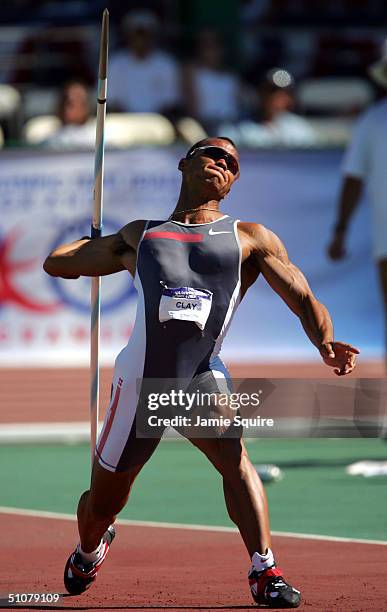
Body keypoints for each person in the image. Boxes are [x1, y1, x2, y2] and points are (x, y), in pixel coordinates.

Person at [44, 136, 359, 608]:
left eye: (231, 163)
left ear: (231, 183)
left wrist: (325, 343)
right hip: (140, 384)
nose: (221, 163)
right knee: (102, 503)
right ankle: (91, 547)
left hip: (201, 378)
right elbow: (58, 264)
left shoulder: (249, 237)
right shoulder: (141, 235)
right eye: (212, 153)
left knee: (236, 464)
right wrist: (95, 241)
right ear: (184, 163)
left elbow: (303, 298)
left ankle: (265, 569)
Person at [327, 45, 387, 357]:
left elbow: (353, 178)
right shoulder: (373, 121)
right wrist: (340, 229)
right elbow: (353, 178)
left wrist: (340, 231)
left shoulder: (373, 120)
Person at [221, 68, 318, 148]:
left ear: (289, 99)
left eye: (282, 94)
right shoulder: (237, 128)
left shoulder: (300, 129)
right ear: (259, 93)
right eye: (270, 91)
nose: (274, 98)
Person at [108, 9, 180, 114]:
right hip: (123, 121)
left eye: (145, 34)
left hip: (158, 122)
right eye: (137, 34)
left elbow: (171, 102)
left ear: (153, 35)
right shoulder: (115, 63)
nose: (140, 39)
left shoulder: (167, 63)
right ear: (128, 35)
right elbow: (111, 101)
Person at [182, 29, 240, 133]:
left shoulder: (231, 77)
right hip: (204, 126)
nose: (210, 51)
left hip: (231, 125)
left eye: (215, 45)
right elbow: (190, 106)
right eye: (206, 45)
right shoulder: (191, 72)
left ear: (222, 49)